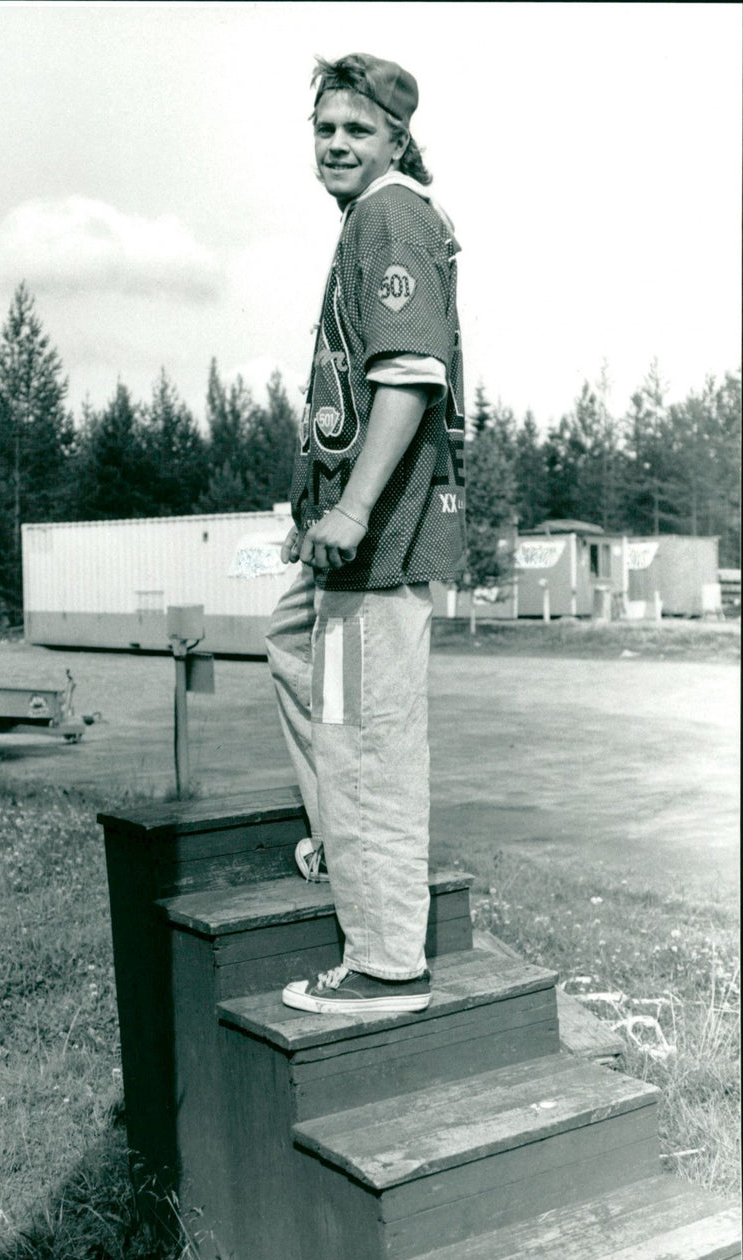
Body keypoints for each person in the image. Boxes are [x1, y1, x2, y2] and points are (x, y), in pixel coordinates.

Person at [265, 52, 466, 1014]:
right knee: (299, 661)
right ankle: (338, 843)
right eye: (325, 128)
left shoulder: (391, 211)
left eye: (358, 128)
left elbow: (409, 374)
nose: (337, 143)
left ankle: (388, 962)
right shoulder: (368, 218)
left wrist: (349, 510)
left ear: (396, 138)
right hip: (344, 556)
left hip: (375, 547)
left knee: (369, 739)